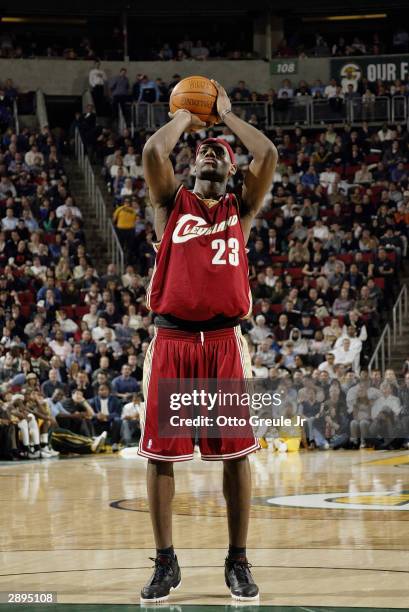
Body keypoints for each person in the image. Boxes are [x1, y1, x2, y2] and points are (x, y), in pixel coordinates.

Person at [139, 79, 277, 602]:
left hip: (223, 340)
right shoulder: (167, 204)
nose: (208, 156)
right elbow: (155, 150)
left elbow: (267, 152)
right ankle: (166, 562)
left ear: (231, 170)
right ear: (191, 166)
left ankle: (237, 561)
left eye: (218, 154)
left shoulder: (240, 211)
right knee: (160, 456)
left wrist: (225, 118)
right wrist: (187, 118)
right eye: (202, 154)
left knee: (236, 454)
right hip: (173, 340)